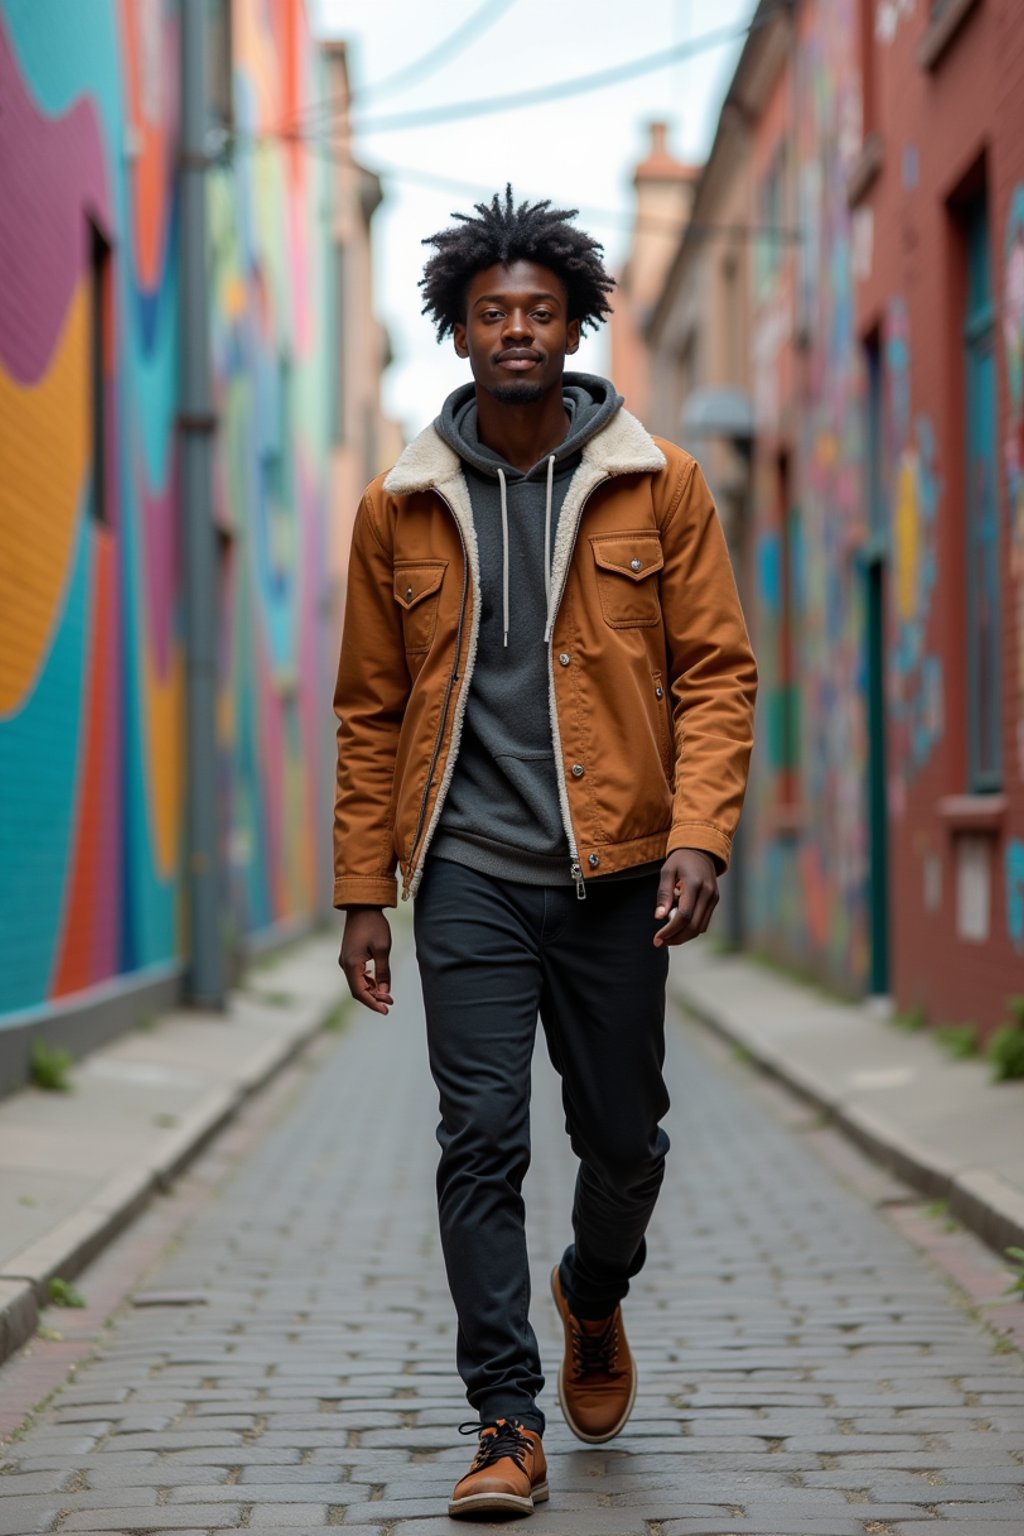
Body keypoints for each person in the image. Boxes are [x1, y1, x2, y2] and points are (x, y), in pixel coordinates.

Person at [333, 187, 757, 1519]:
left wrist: (699, 837)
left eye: (540, 310)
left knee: (625, 1139)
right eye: (490, 312)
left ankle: (592, 1290)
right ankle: (505, 1418)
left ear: (575, 326)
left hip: (622, 866)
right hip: (465, 870)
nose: (516, 329)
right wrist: (363, 891)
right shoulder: (398, 508)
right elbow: (368, 708)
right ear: (457, 334)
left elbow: (719, 676)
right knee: (480, 1138)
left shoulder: (658, 484)